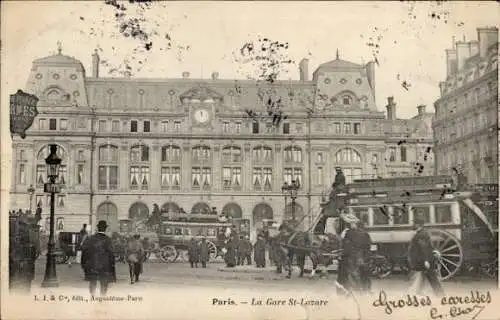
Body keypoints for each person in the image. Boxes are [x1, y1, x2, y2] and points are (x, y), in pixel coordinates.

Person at [408, 215, 444, 296]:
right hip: (423, 260)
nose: (413, 225)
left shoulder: (421, 234)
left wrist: (426, 260)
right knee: (425, 277)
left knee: (431, 278)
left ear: (418, 225)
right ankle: (438, 294)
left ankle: (441, 295)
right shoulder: (422, 233)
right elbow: (428, 247)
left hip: (422, 261)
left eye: (414, 223)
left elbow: (424, 248)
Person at [81, 220, 116, 297]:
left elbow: (85, 251)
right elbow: (111, 254)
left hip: (93, 264)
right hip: (105, 266)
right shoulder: (108, 240)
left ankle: (92, 296)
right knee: (104, 283)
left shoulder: (91, 238)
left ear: (98, 228)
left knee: (93, 282)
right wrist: (112, 265)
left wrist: (83, 264)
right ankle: (102, 298)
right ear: (105, 229)